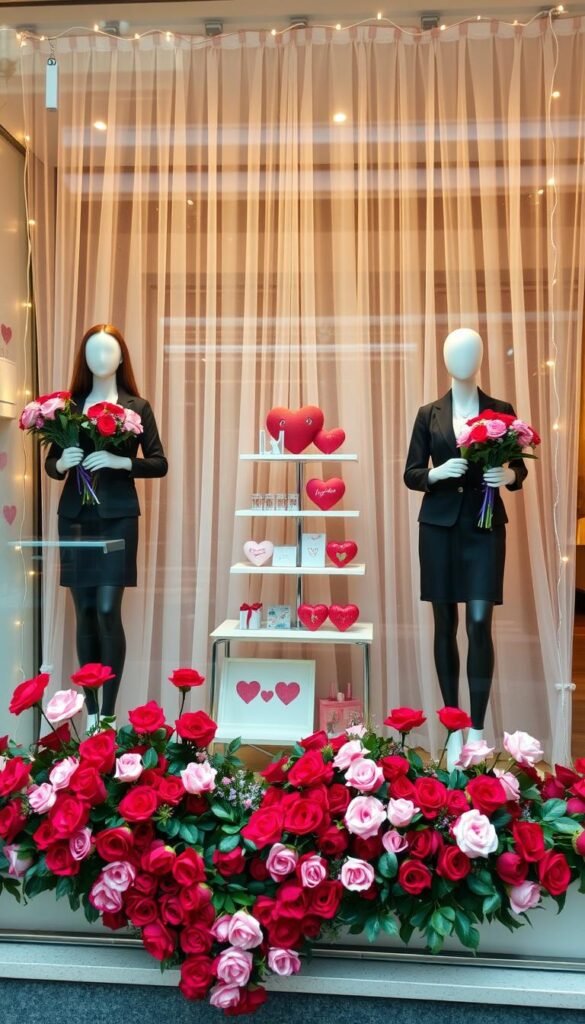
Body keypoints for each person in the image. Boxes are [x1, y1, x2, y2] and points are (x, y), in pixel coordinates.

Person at [404, 328, 527, 768]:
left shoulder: (501, 411)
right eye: (456, 352)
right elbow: (412, 472)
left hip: (483, 524)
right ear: (444, 358)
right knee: (444, 623)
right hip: (437, 527)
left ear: (480, 357)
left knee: (478, 621)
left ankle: (477, 728)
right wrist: (436, 475)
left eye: (471, 352)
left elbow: (518, 466)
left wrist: (510, 477)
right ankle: (454, 730)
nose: (463, 359)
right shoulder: (428, 413)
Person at [45, 324, 168, 729]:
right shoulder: (68, 406)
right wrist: (62, 463)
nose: (100, 358)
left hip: (117, 518)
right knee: (83, 611)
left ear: (121, 357)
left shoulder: (137, 406)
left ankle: (109, 714)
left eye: (108, 351)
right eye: (93, 352)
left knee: (106, 608)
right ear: (84, 358)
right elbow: (51, 464)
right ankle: (93, 709)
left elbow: (159, 462)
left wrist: (120, 462)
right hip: (76, 520)